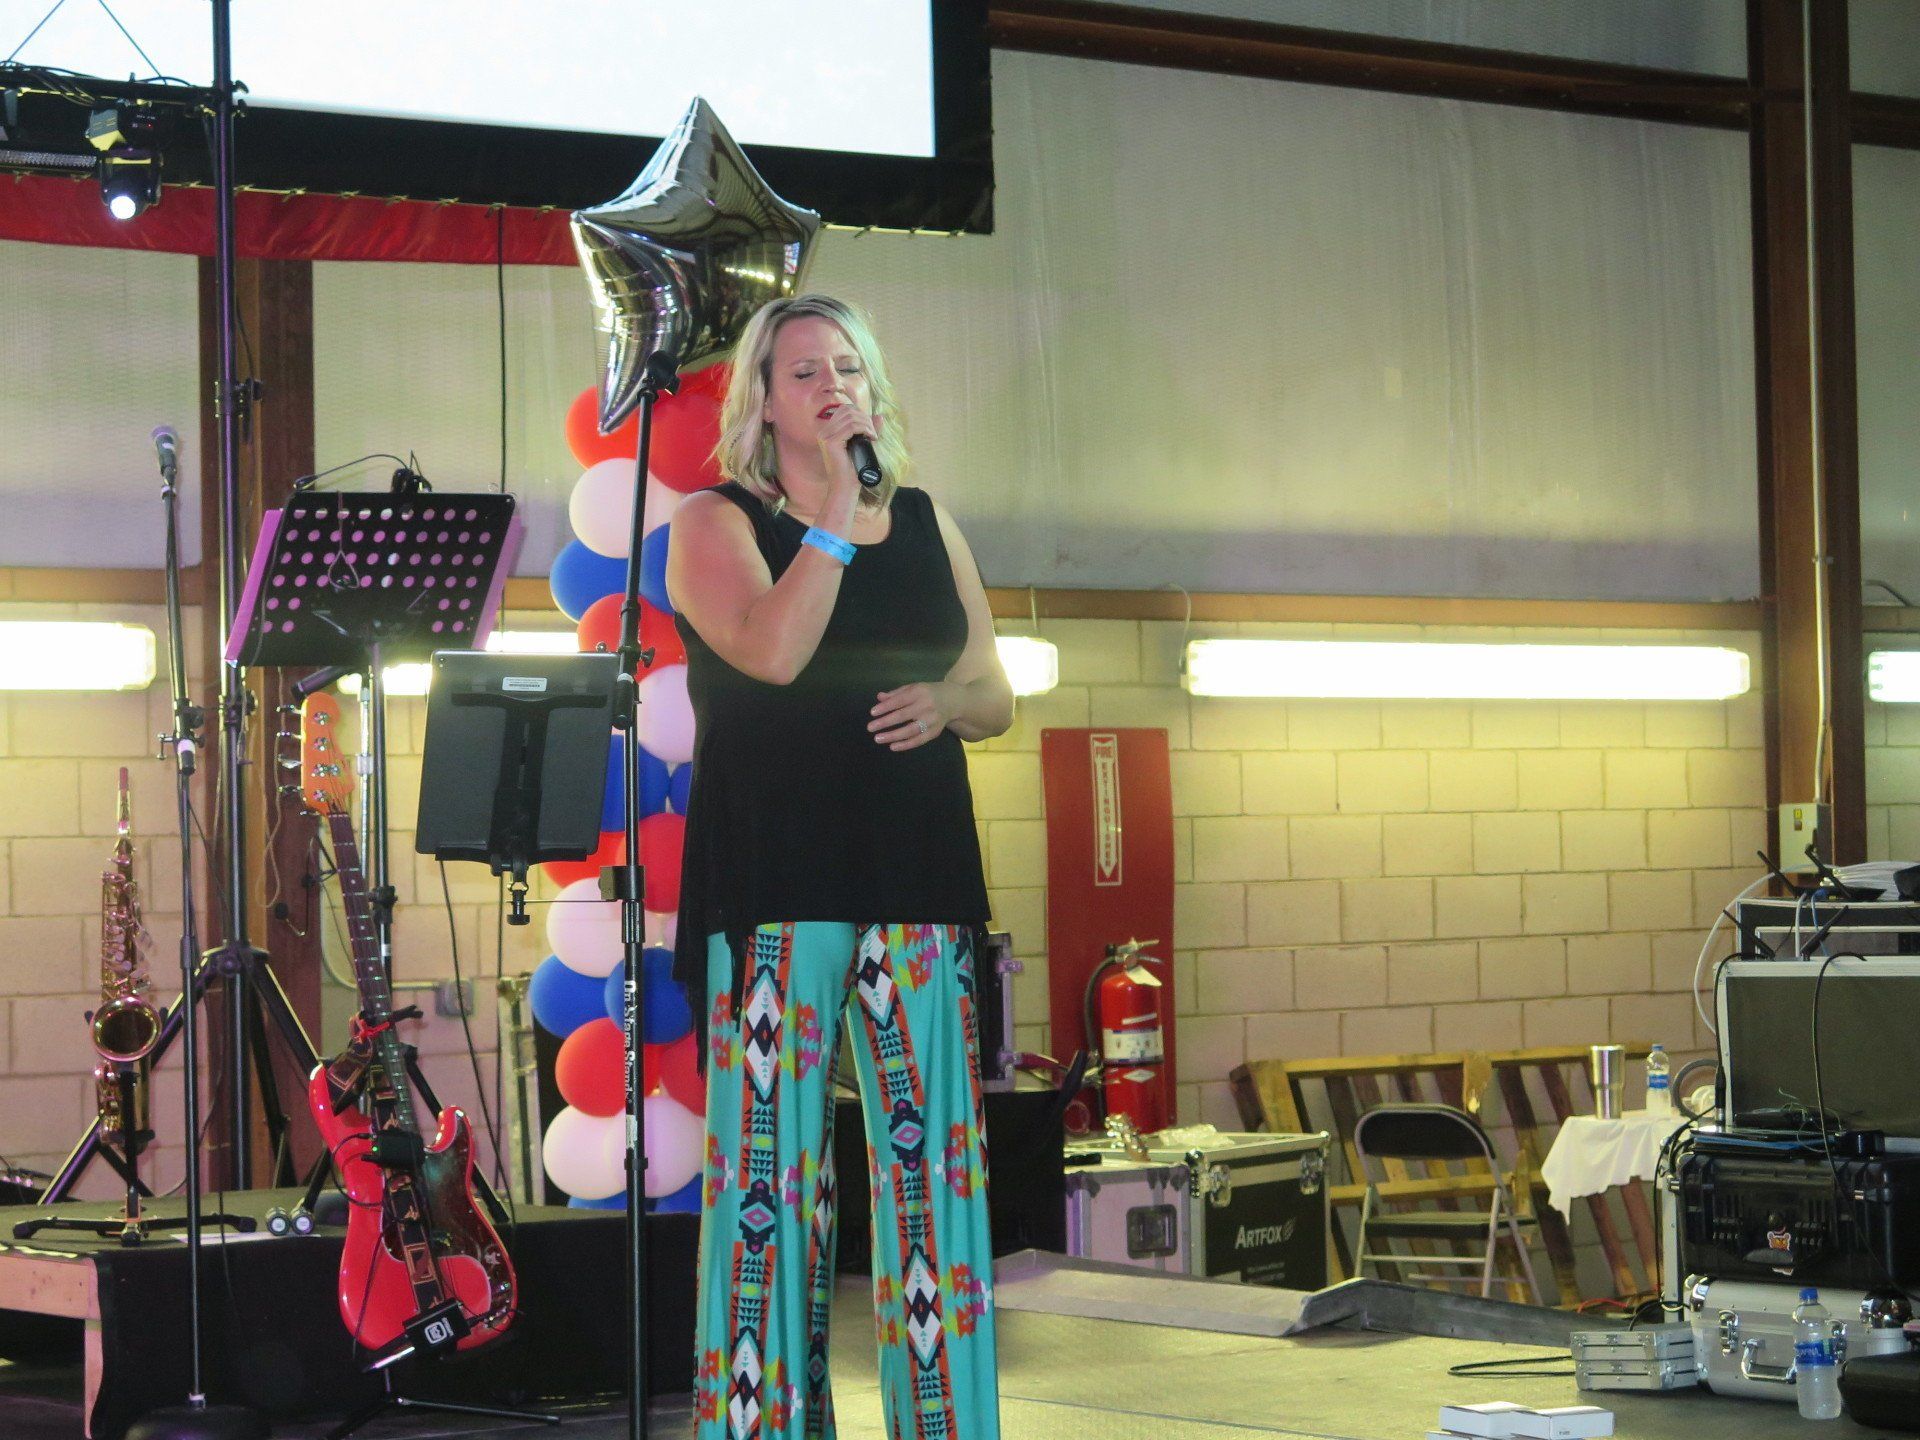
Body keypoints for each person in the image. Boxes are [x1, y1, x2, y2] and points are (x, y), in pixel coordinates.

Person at [666, 292, 1014, 1440]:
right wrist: (829, 525)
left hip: (914, 879)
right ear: (762, 402)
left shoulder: (923, 520)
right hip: (776, 883)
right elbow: (769, 652)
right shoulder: (712, 523)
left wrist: (945, 699)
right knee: (770, 1188)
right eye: (804, 371)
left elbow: (997, 694)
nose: (832, 387)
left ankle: (945, 1425)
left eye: (848, 368)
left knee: (938, 1184)